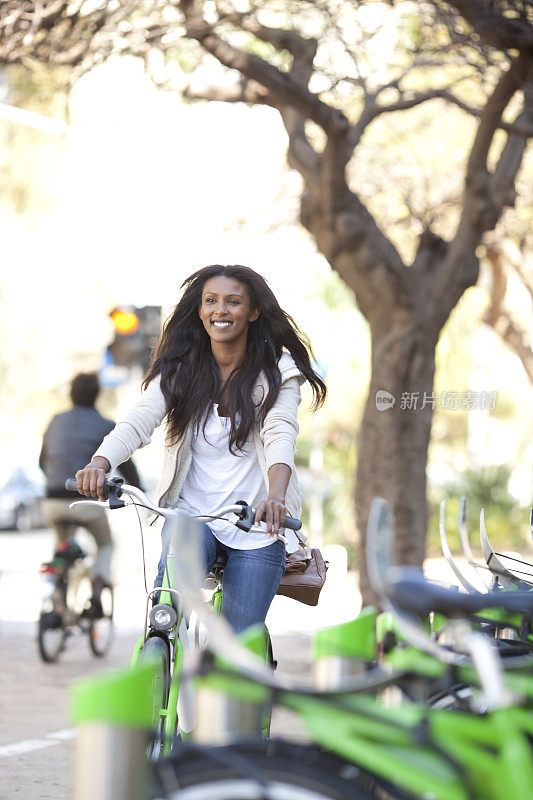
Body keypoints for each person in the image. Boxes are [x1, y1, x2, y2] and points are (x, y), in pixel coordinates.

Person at [75, 265, 326, 633]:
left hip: (256, 527)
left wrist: (275, 498)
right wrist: (100, 462)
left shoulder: (277, 372)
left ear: (252, 312)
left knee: (238, 646)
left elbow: (280, 435)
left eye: (233, 302)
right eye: (211, 301)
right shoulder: (181, 370)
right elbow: (140, 419)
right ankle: (161, 659)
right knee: (165, 615)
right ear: (200, 310)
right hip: (191, 518)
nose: (220, 310)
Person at [40, 372, 143, 614]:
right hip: (86, 502)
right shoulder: (106, 425)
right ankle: (97, 586)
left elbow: (42, 461)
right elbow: (127, 465)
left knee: (62, 542)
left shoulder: (55, 420)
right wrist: (139, 489)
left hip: (53, 499)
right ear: (96, 395)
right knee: (106, 545)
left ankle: (57, 596)